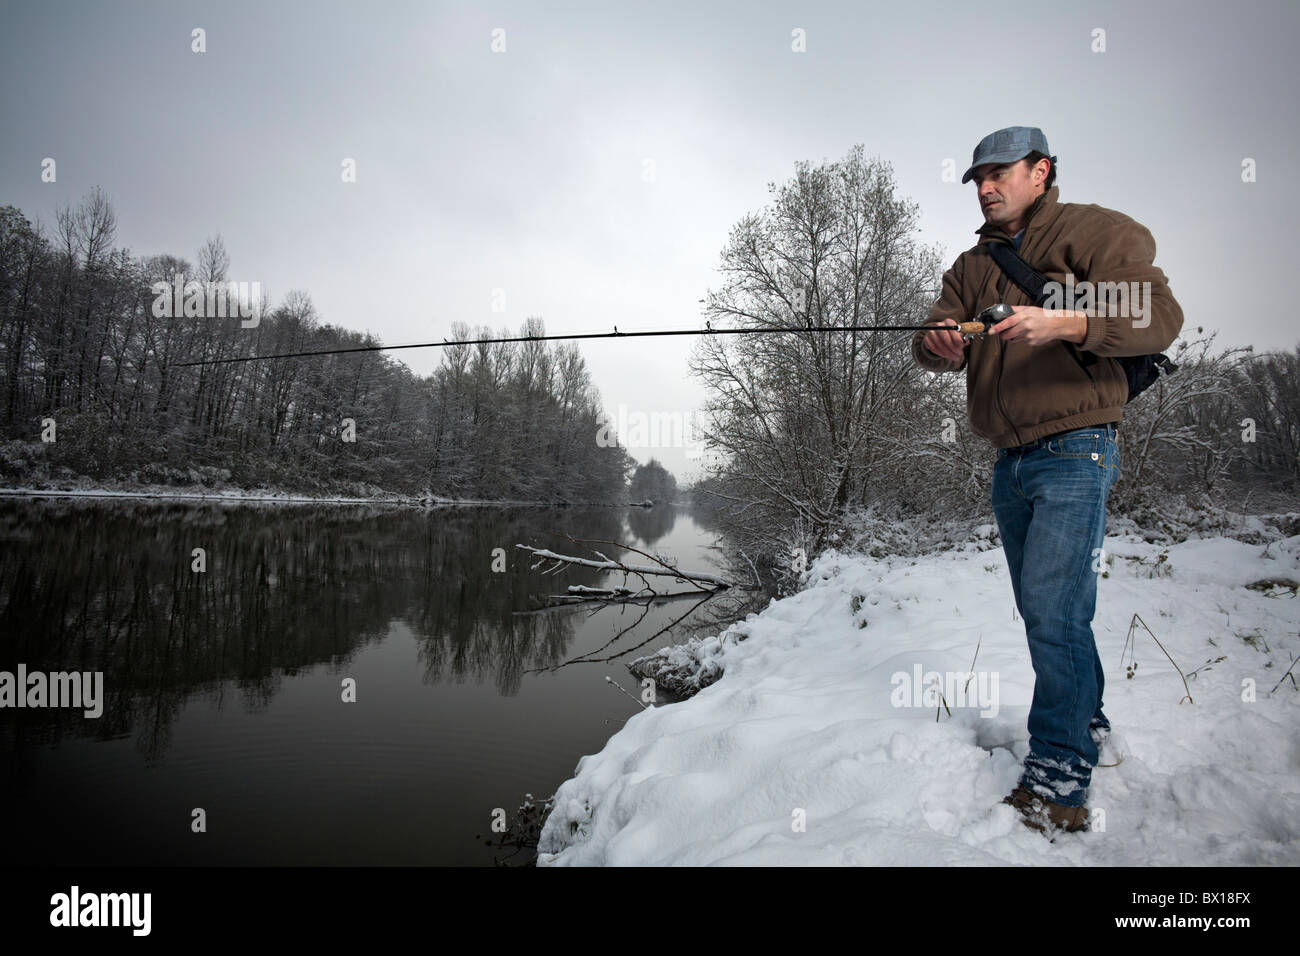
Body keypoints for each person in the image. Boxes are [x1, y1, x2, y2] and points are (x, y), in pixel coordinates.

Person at [913, 126, 1184, 834]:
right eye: (976, 179)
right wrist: (938, 341)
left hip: (1076, 446)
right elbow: (933, 335)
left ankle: (1058, 782)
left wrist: (1065, 324)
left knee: (1054, 609)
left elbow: (1158, 317)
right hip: (1010, 458)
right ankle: (1087, 723)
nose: (986, 187)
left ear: (1041, 170)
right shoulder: (974, 264)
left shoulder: (1096, 232)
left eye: (999, 173)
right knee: (1048, 612)